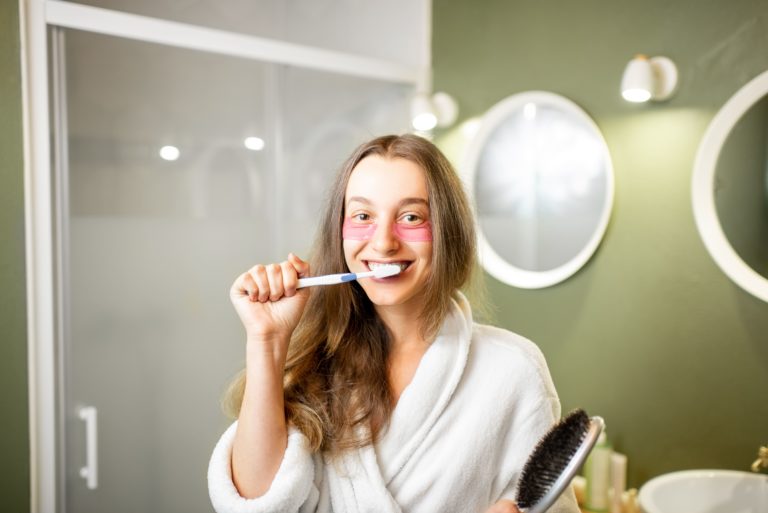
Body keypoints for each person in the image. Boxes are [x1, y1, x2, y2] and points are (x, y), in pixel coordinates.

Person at [207, 134, 579, 513]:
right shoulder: (316, 363)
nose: (383, 242)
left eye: (411, 217)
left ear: (447, 232)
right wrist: (267, 341)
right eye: (363, 216)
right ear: (340, 230)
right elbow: (253, 505)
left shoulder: (513, 370)